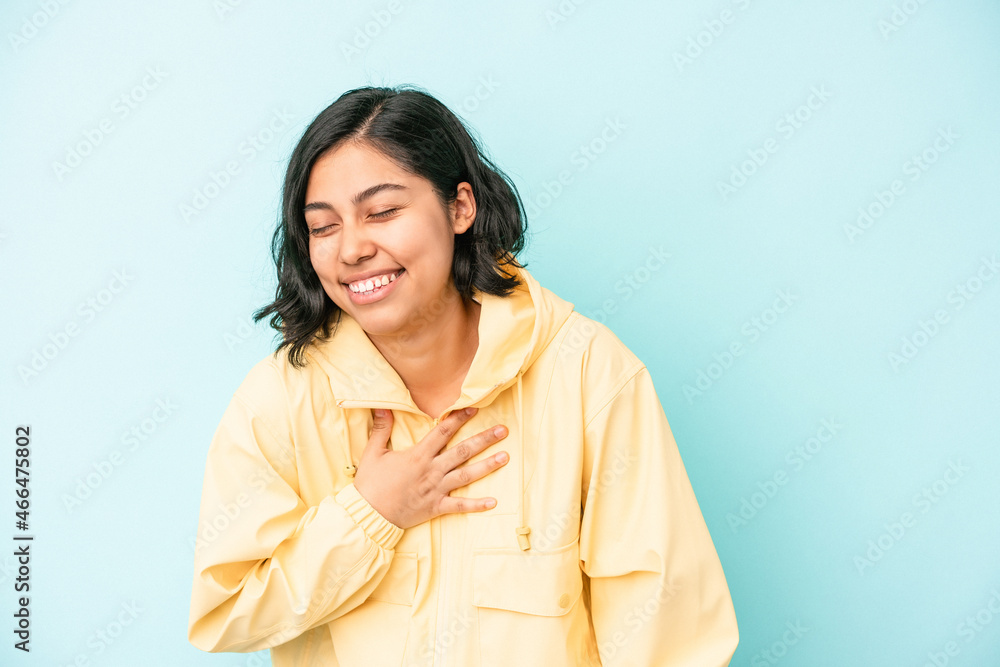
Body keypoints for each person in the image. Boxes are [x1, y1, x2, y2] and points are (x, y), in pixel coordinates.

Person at [187, 84, 739, 666]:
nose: (351, 248)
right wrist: (369, 514)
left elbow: (669, 638)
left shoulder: (587, 374)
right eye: (323, 226)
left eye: (382, 212)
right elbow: (226, 609)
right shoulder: (280, 399)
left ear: (460, 207)